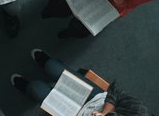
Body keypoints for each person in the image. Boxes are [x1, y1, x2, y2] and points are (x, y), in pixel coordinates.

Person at [11, 49, 149, 115]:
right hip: (95, 98)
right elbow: (116, 90)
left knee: (36, 88)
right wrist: (104, 113)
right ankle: (48, 63)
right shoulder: (141, 112)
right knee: (52, 67)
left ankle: (28, 88)